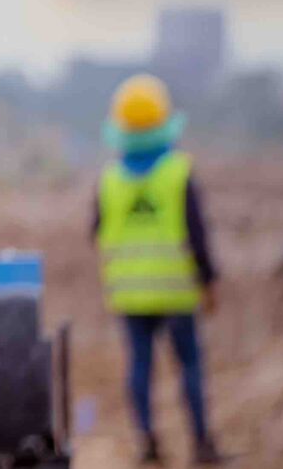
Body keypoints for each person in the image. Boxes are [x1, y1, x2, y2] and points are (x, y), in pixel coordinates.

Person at [93, 73, 224, 467]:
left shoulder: (110, 180)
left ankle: (147, 443)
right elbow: (197, 234)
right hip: (176, 291)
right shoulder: (178, 172)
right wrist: (208, 281)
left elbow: (97, 230)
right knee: (189, 366)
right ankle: (201, 444)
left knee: (139, 365)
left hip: (130, 293)